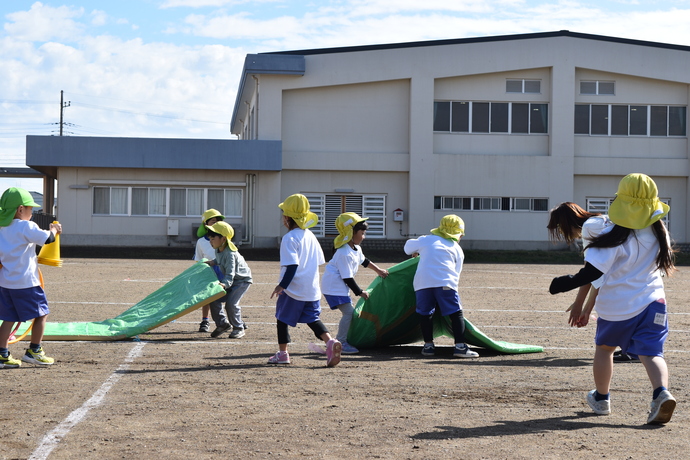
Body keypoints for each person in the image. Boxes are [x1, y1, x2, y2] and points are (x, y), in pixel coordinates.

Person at [549, 173, 677, 425]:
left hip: (618, 307)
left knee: (605, 349)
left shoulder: (608, 232)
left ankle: (602, 398)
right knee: (652, 353)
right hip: (655, 303)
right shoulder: (658, 229)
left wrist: (566, 283)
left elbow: (594, 272)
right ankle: (661, 393)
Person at [547, 203, 634, 361]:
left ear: (566, 222)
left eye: (559, 226)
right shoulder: (598, 222)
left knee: (613, 305)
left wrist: (580, 304)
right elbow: (598, 276)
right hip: (634, 269)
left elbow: (590, 272)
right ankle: (630, 348)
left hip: (629, 272)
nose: (560, 231)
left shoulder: (590, 228)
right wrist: (586, 309)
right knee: (616, 302)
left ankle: (632, 349)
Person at [269, 194, 341, 366]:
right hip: (311, 289)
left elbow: (292, 266)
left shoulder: (289, 238)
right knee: (312, 319)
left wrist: (281, 286)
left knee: (282, 318)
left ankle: (283, 354)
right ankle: (330, 342)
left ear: (287, 218)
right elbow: (319, 261)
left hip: (294, 289)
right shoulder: (310, 235)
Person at [0, 187, 62, 368]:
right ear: (20, 210)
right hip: (26, 282)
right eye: (30, 209)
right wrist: (54, 229)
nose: (32, 213)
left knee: (8, 317)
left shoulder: (2, 227)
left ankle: (2, 354)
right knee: (42, 314)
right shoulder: (26, 226)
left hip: (6, 282)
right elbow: (47, 239)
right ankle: (34, 350)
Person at [403, 214, 479, 358]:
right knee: (456, 313)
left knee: (425, 314)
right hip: (445, 282)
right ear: (458, 234)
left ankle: (428, 346)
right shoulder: (456, 248)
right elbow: (456, 272)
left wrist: (416, 251)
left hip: (422, 283)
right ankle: (460, 347)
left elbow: (407, 247)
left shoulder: (426, 240)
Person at [321, 212, 389, 354]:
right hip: (333, 287)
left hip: (339, 287)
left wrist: (378, 270)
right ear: (351, 232)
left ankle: (341, 340)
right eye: (362, 233)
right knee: (349, 313)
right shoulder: (344, 252)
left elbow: (364, 260)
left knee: (350, 313)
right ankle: (341, 342)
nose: (364, 237)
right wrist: (360, 292)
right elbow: (347, 278)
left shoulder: (356, 248)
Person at [202, 221, 251, 339]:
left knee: (231, 304)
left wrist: (224, 284)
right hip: (231, 281)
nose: (210, 241)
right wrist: (212, 262)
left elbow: (230, 273)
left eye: (213, 238)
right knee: (214, 299)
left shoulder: (230, 254)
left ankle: (239, 328)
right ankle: (222, 324)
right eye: (210, 238)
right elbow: (219, 260)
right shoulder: (218, 249)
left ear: (223, 239)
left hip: (241, 281)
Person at [194, 209, 224, 333]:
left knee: (227, 297)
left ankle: (232, 320)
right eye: (212, 221)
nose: (215, 224)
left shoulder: (224, 239)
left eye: (218, 222)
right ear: (206, 224)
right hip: (208, 272)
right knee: (206, 298)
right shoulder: (201, 242)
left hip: (223, 271)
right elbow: (198, 260)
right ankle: (205, 320)